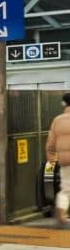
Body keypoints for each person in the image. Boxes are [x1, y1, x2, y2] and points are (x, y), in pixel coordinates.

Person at [46, 92, 70, 226]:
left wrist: (51, 160)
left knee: (66, 189)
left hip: (65, 161)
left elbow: (50, 143)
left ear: (64, 104)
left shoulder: (58, 120)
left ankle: (60, 214)